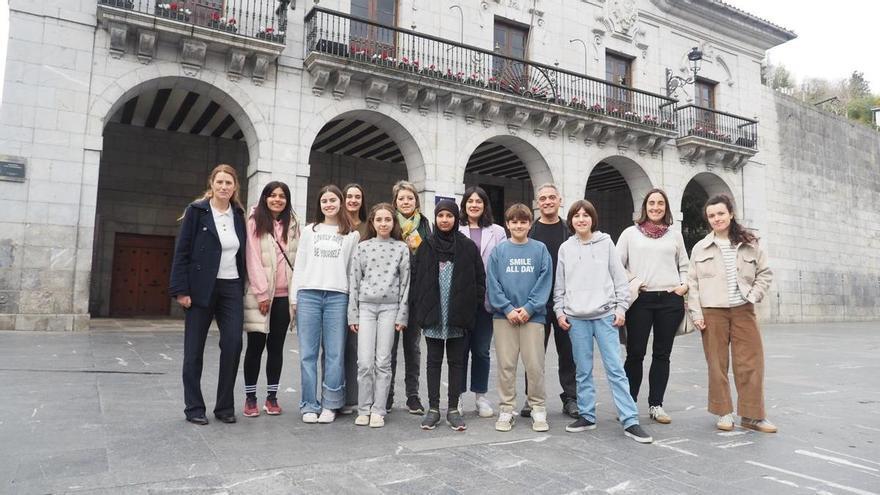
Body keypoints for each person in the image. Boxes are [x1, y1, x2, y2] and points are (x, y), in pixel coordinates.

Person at [554, 200, 653, 444]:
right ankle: (587, 415)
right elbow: (560, 285)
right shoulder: (565, 248)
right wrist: (559, 312)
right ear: (571, 220)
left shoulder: (606, 243)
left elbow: (620, 279)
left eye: (585, 215)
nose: (581, 219)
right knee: (582, 371)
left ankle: (630, 420)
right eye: (576, 215)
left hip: (605, 316)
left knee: (615, 369)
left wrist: (621, 309)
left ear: (593, 218)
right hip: (576, 318)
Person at [688, 194, 775, 433]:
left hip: (743, 310)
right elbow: (692, 284)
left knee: (751, 363)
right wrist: (696, 314)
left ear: (731, 214)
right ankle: (723, 412)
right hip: (712, 312)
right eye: (711, 216)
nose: (716, 219)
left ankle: (752, 416)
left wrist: (754, 295)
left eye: (720, 213)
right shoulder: (700, 248)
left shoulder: (750, 243)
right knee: (717, 364)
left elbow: (765, 273)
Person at [169, 164, 247, 425]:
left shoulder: (238, 214)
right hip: (200, 287)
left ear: (235, 187)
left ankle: (224, 407)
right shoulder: (197, 211)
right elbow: (182, 251)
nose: (224, 187)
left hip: (231, 287)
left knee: (233, 344)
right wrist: (181, 290)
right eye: (220, 182)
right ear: (212, 184)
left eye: (228, 183)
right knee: (194, 350)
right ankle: (194, 407)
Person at [412, 200, 485, 431]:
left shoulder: (467, 247)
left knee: (456, 362)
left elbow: (479, 280)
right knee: (433, 362)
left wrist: (471, 308)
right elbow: (416, 279)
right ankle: (433, 409)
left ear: (456, 218)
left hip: (458, 315)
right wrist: (420, 310)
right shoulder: (426, 246)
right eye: (441, 215)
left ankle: (453, 409)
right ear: (435, 218)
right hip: (433, 313)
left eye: (449, 216)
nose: (445, 220)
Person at [617, 188, 688, 424]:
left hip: (669, 300)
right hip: (640, 300)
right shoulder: (630, 234)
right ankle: (628, 405)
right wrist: (634, 281)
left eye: (660, 203)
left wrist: (683, 286)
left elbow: (685, 265)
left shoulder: (674, 236)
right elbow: (616, 265)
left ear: (666, 208)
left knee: (662, 354)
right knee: (635, 353)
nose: (655, 207)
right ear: (644, 207)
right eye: (651, 203)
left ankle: (656, 405)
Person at [292, 185, 360, 424]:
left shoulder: (351, 234)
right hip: (308, 294)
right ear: (319, 204)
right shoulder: (309, 231)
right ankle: (309, 405)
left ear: (341, 202)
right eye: (324, 201)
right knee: (307, 354)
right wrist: (294, 298)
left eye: (333, 200)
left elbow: (352, 271)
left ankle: (331, 404)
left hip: (338, 296)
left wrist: (352, 304)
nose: (329, 204)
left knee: (335, 353)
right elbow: (300, 264)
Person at [487, 203, 553, 432]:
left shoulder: (540, 249)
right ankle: (506, 409)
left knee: (534, 366)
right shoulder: (499, 251)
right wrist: (507, 308)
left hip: (532, 318)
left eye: (523, 222)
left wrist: (529, 308)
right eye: (514, 222)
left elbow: (545, 280)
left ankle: (538, 407)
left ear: (529, 224)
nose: (518, 226)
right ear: (507, 224)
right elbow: (492, 282)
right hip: (503, 317)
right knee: (506, 365)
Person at [348, 203, 411, 428]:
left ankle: (378, 410)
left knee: (383, 362)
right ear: (372, 223)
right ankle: (364, 408)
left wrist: (402, 315)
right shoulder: (363, 247)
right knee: (364, 362)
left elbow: (405, 283)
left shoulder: (401, 248)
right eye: (379, 220)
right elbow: (354, 281)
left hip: (390, 309)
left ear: (394, 223)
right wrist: (353, 314)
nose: (383, 224)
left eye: (388, 219)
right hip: (365, 308)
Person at [242, 181, 300, 417]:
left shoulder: (293, 224)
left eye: (282, 196)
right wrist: (261, 293)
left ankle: (272, 397)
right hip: (260, 297)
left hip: (284, 298)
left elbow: (298, 259)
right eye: (273, 195)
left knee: (276, 348)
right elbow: (252, 258)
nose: (277, 199)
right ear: (265, 197)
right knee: (255, 347)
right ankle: (250, 398)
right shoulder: (255, 221)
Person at [523, 183, 578, 419]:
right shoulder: (530, 232)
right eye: (543, 198)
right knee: (534, 355)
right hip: (537, 303)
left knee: (568, 354)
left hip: (566, 303)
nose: (547, 202)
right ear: (538, 203)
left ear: (559, 200)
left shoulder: (571, 231)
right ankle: (532, 398)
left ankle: (571, 398)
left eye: (551, 197)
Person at [457, 186, 507, 418]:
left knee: (481, 350)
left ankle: (480, 397)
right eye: (470, 201)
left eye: (479, 201)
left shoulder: (497, 231)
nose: (474, 205)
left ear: (485, 205)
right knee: (459, 350)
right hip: (461, 300)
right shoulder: (456, 229)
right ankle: (456, 396)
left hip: (486, 300)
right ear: (464, 205)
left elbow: (502, 265)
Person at [388, 180, 430, 414]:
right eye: (401, 198)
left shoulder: (424, 223)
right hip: (393, 293)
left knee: (413, 347)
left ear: (416, 201)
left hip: (416, 292)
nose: (406, 202)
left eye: (410, 198)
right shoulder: (389, 221)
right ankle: (387, 394)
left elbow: (429, 255)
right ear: (395, 202)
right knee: (389, 347)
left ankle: (412, 395)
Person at [341, 183, 369, 415]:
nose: (352, 200)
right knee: (333, 348)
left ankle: (351, 397)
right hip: (336, 289)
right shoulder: (334, 224)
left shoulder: (368, 226)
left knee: (353, 347)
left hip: (360, 294)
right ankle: (332, 396)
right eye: (349, 196)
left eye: (357, 197)